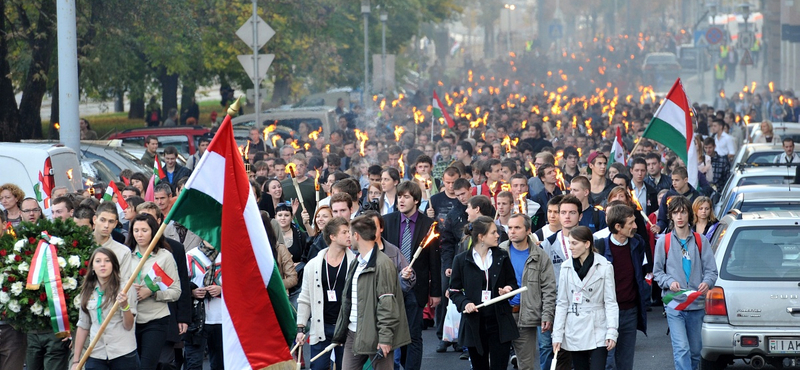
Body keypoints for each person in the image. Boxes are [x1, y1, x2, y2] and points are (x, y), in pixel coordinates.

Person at [332, 216, 411, 370]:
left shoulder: (383, 264)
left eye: (350, 233)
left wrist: (385, 338)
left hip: (376, 335)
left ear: (357, 235)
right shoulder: (356, 262)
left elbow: (387, 304)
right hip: (353, 332)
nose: (348, 237)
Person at [653, 196, 718, 370]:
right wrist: (669, 282)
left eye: (683, 212)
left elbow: (712, 271)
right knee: (681, 348)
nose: (679, 216)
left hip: (696, 303)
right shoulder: (663, 242)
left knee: (695, 351)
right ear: (671, 216)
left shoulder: (700, 240)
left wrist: (707, 282)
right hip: (674, 302)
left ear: (690, 214)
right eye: (675, 213)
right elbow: (657, 272)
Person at [381, 181, 440, 370]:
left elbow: (434, 260)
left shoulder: (428, 225)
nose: (401, 200)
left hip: (417, 288)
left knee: (414, 334)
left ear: (416, 200)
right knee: (397, 334)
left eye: (406, 197)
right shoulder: (388, 221)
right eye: (399, 196)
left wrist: (436, 292)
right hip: (391, 286)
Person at [449, 216, 519, 370]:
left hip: (499, 321)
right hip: (474, 323)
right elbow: (454, 290)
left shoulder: (501, 256)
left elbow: (512, 283)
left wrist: (508, 290)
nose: (498, 235)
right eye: (493, 232)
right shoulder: (461, 260)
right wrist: (465, 303)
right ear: (481, 237)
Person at [552, 226, 618, 370]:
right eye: (569, 243)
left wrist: (612, 331)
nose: (570, 247)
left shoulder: (605, 266)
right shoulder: (565, 267)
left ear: (587, 244)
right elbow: (562, 303)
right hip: (575, 328)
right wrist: (557, 335)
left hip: (598, 327)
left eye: (574, 243)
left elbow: (611, 302)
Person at [297, 217, 355, 370]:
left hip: (347, 328)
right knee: (318, 367)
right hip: (321, 326)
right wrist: (301, 328)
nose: (349, 235)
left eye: (349, 231)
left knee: (347, 367)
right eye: (344, 232)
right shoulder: (313, 264)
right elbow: (305, 298)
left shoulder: (355, 263)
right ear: (332, 237)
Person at [500, 214, 557, 370]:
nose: (512, 231)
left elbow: (549, 288)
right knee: (496, 363)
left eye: (517, 228)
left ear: (528, 230)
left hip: (526, 316)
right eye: (510, 228)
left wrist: (547, 315)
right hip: (500, 315)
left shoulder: (540, 255)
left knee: (526, 366)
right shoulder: (499, 251)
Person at [597, 205, 649, 370]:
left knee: (625, 363)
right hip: (606, 313)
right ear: (618, 227)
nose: (635, 226)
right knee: (609, 363)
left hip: (630, 312)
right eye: (631, 223)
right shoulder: (600, 247)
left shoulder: (637, 243)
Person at [127, 214, 182, 370]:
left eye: (144, 230)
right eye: (136, 230)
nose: (140, 234)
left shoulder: (165, 256)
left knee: (146, 366)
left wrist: (152, 292)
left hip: (156, 319)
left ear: (153, 231)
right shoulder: (126, 255)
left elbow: (176, 291)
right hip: (129, 320)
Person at [71, 248, 138, 370]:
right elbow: (83, 326)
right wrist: (76, 361)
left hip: (123, 353)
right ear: (92, 267)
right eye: (98, 261)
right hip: (96, 353)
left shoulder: (126, 288)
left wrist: (125, 306)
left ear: (113, 265)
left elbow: (128, 326)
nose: (102, 264)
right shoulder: (86, 292)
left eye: (107, 261)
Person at [653, 167, 702, 235]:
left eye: (677, 180)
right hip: (672, 233)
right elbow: (662, 218)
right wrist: (659, 227)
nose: (674, 183)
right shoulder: (667, 196)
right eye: (672, 180)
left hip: (692, 234)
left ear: (685, 180)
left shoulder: (696, 196)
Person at [93, 203, 133, 281]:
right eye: (102, 220)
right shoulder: (80, 244)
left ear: (115, 224)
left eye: (111, 221)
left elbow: (123, 282)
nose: (106, 225)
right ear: (95, 219)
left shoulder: (124, 252)